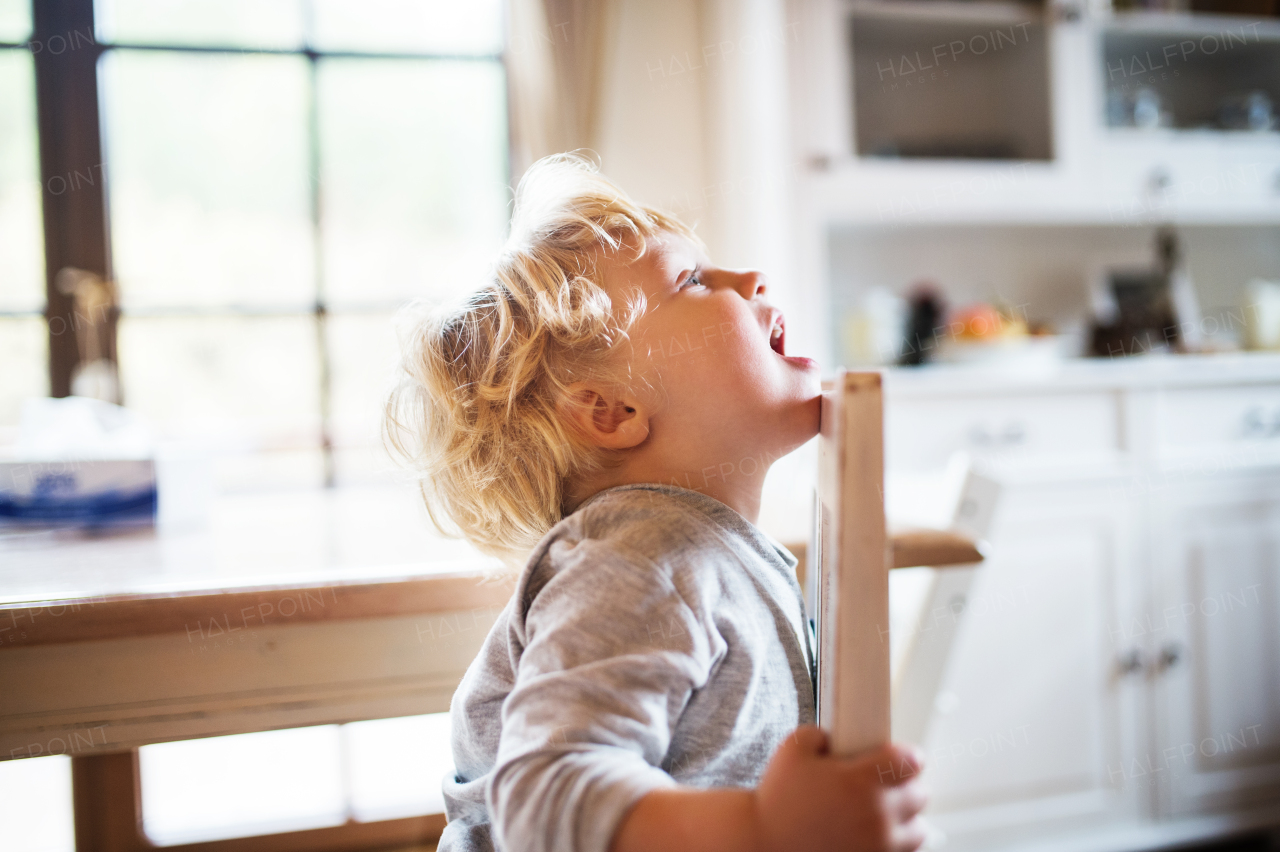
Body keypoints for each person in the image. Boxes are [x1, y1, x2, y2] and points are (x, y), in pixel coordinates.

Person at [384, 153, 928, 852]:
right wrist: (767, 829)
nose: (750, 279)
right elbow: (545, 798)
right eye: (693, 281)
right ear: (611, 411)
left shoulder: (701, 548)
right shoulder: (640, 558)